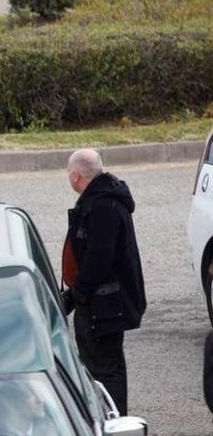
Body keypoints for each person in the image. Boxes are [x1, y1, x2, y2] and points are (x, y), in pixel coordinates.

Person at [61, 148, 145, 416]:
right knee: (107, 366)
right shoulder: (105, 199)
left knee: (104, 369)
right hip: (106, 301)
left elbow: (98, 257)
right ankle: (111, 419)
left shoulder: (101, 206)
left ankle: (111, 424)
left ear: (76, 176)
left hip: (104, 305)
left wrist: (79, 294)